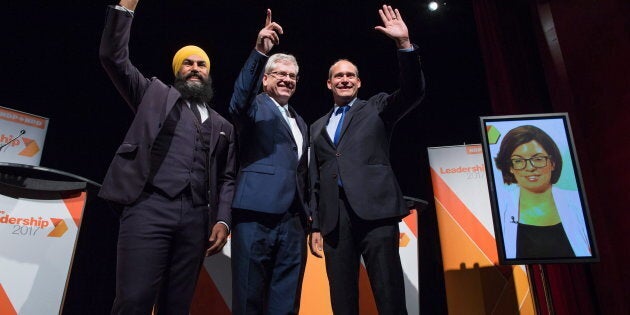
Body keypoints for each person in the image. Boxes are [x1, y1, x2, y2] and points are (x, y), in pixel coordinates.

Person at [98, 1, 236, 313]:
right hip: (149, 207)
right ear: (177, 71)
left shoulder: (222, 126)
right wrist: (126, 9)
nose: (195, 68)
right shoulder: (153, 94)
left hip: (196, 220)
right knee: (133, 300)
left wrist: (223, 220)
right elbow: (113, 58)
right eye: (187, 63)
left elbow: (228, 177)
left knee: (177, 305)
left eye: (201, 64)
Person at [308, 5, 425, 315]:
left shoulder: (377, 108)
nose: (345, 79)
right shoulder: (316, 126)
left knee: (389, 295)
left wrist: (404, 45)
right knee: (342, 300)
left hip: (376, 214)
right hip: (335, 220)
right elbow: (315, 179)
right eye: (338, 76)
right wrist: (316, 225)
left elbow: (412, 91)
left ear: (359, 83)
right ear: (329, 84)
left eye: (350, 75)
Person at [228, 9, 309, 315]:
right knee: (249, 299)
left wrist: (309, 217)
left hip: (292, 221)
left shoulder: (300, 122)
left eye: (292, 76)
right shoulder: (254, 107)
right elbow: (238, 100)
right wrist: (260, 52)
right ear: (265, 80)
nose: (287, 79)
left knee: (286, 304)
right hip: (255, 215)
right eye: (280, 74)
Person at [494, 125, 590, 259]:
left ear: (553, 163)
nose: (530, 168)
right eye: (519, 161)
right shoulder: (500, 210)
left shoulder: (578, 203)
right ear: (510, 167)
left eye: (538, 159)